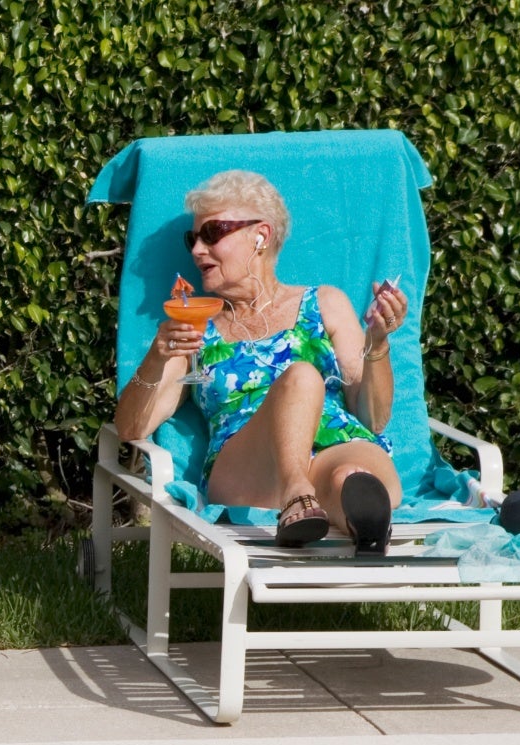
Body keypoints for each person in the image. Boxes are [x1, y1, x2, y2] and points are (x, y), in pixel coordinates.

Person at [112, 169, 409, 551]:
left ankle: (361, 521)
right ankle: (296, 494)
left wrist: (378, 340)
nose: (197, 250)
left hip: (337, 444)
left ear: (261, 236)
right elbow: (130, 428)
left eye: (212, 234)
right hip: (247, 466)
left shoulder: (325, 304)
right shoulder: (195, 329)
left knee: (350, 478)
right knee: (301, 376)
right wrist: (156, 357)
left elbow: (372, 417)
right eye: (193, 238)